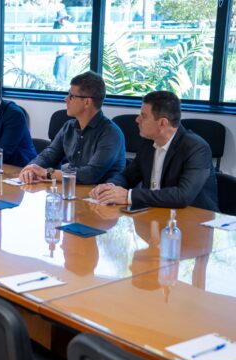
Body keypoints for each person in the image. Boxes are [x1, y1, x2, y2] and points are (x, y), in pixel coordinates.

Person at [90, 91, 218, 210]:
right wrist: (110, 187)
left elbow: (182, 196)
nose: (137, 120)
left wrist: (129, 196)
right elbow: (128, 176)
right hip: (155, 213)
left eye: (144, 116)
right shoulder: (149, 142)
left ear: (162, 123)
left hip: (194, 219)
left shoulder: (196, 148)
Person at [19, 71, 125, 184]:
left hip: (99, 192)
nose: (66, 99)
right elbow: (49, 155)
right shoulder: (69, 126)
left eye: (71, 96)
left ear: (87, 102)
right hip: (70, 188)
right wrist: (31, 168)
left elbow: (90, 174)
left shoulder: (111, 133)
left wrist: (47, 173)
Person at [52, 8, 77, 87]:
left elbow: (75, 41)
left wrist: (63, 51)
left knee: (60, 77)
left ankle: (61, 91)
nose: (62, 20)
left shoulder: (69, 26)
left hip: (66, 54)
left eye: (63, 18)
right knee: (56, 74)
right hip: (60, 54)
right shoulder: (59, 27)